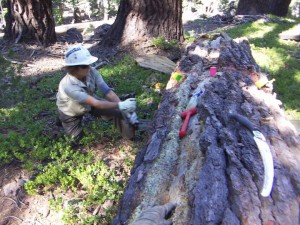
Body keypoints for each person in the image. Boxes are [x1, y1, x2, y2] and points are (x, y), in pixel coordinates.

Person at [56, 45, 137, 145]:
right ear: (74, 68)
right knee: (77, 140)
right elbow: (97, 103)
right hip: (71, 111)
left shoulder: (92, 72)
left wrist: (122, 107)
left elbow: (107, 91)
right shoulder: (68, 86)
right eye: (84, 66)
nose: (89, 68)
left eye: (89, 64)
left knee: (117, 112)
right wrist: (122, 105)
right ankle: (62, 121)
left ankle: (132, 140)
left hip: (90, 102)